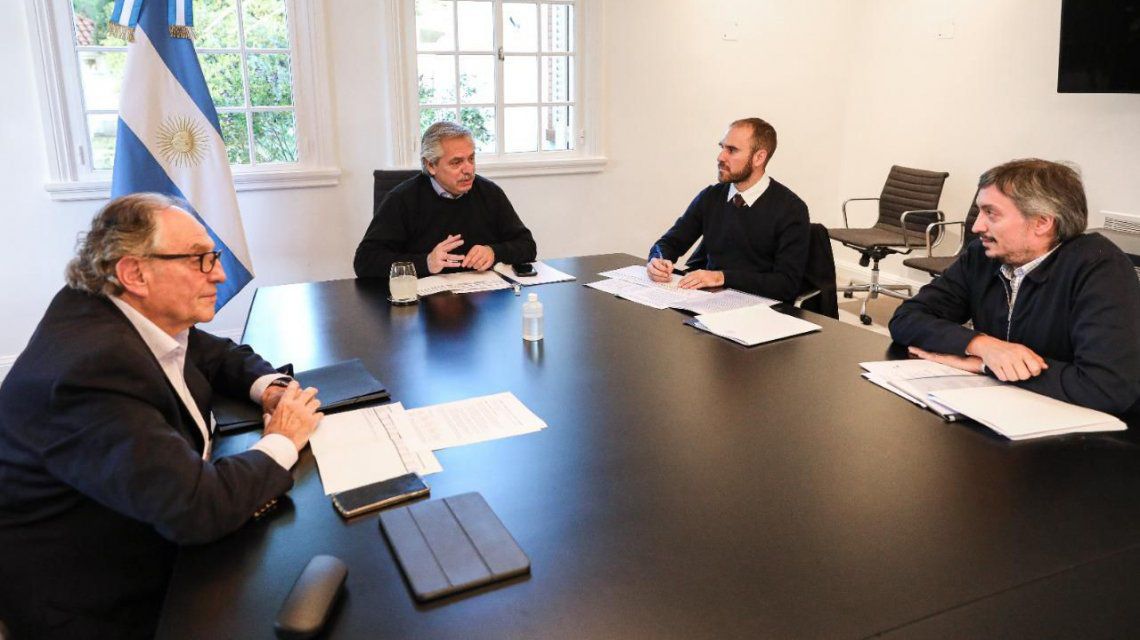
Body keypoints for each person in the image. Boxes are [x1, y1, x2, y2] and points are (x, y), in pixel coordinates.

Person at [0, 194, 323, 639]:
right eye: (200, 260)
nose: (220, 274)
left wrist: (268, 386)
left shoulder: (114, 308)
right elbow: (196, 509)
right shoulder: (89, 370)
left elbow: (211, 351)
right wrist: (283, 439)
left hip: (149, 537)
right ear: (135, 273)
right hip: (101, 599)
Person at [889, 158, 1140, 416]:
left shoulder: (1100, 268)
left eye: (991, 213)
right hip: (1006, 409)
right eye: (980, 211)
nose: (976, 227)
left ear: (1042, 222)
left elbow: (1107, 388)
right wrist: (981, 345)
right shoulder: (982, 256)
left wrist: (986, 366)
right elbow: (906, 319)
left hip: (1087, 428)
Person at [646, 117, 810, 302]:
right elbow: (670, 243)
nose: (720, 157)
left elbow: (786, 285)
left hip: (760, 308)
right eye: (722, 147)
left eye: (731, 150)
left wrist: (721, 277)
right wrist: (657, 260)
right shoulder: (711, 196)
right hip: (707, 302)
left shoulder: (791, 209)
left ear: (759, 157)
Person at [354, 121, 537, 278]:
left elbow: (527, 245)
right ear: (430, 165)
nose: (468, 169)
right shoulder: (402, 200)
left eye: (471, 159)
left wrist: (494, 252)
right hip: (425, 302)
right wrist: (426, 262)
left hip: (481, 297)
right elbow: (365, 261)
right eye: (456, 162)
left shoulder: (489, 193)